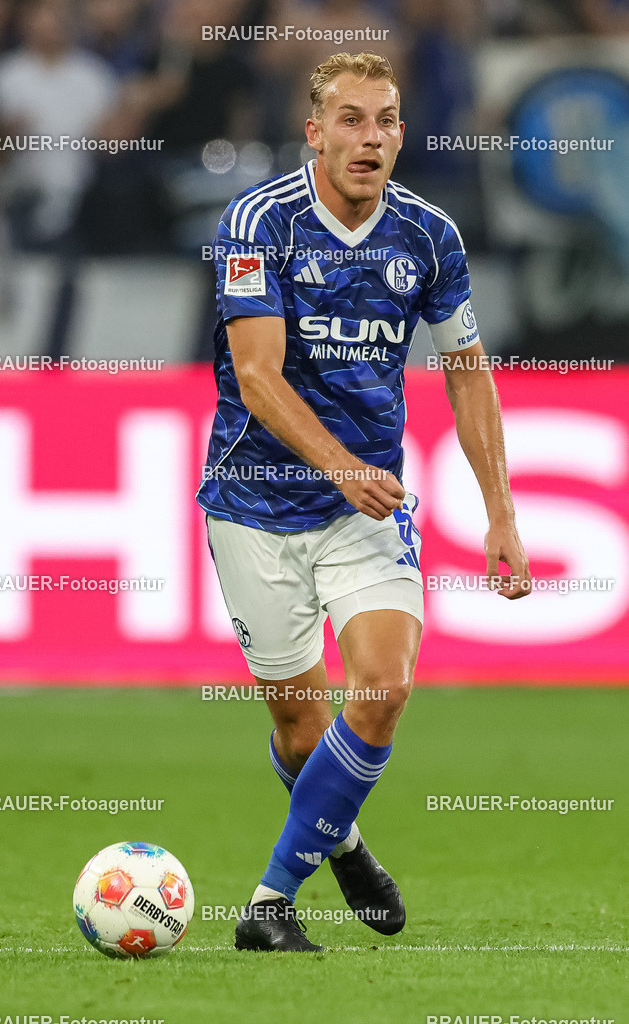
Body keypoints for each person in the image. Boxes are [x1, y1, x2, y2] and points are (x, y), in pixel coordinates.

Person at [197, 51, 531, 953]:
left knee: (380, 692)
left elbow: (467, 373)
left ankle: (269, 902)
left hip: (365, 512)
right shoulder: (256, 223)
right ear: (315, 132)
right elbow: (258, 377)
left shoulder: (428, 236)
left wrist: (499, 513)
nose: (369, 138)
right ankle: (340, 841)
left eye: (384, 120)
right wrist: (340, 463)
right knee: (306, 737)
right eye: (350, 119)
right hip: (254, 505)